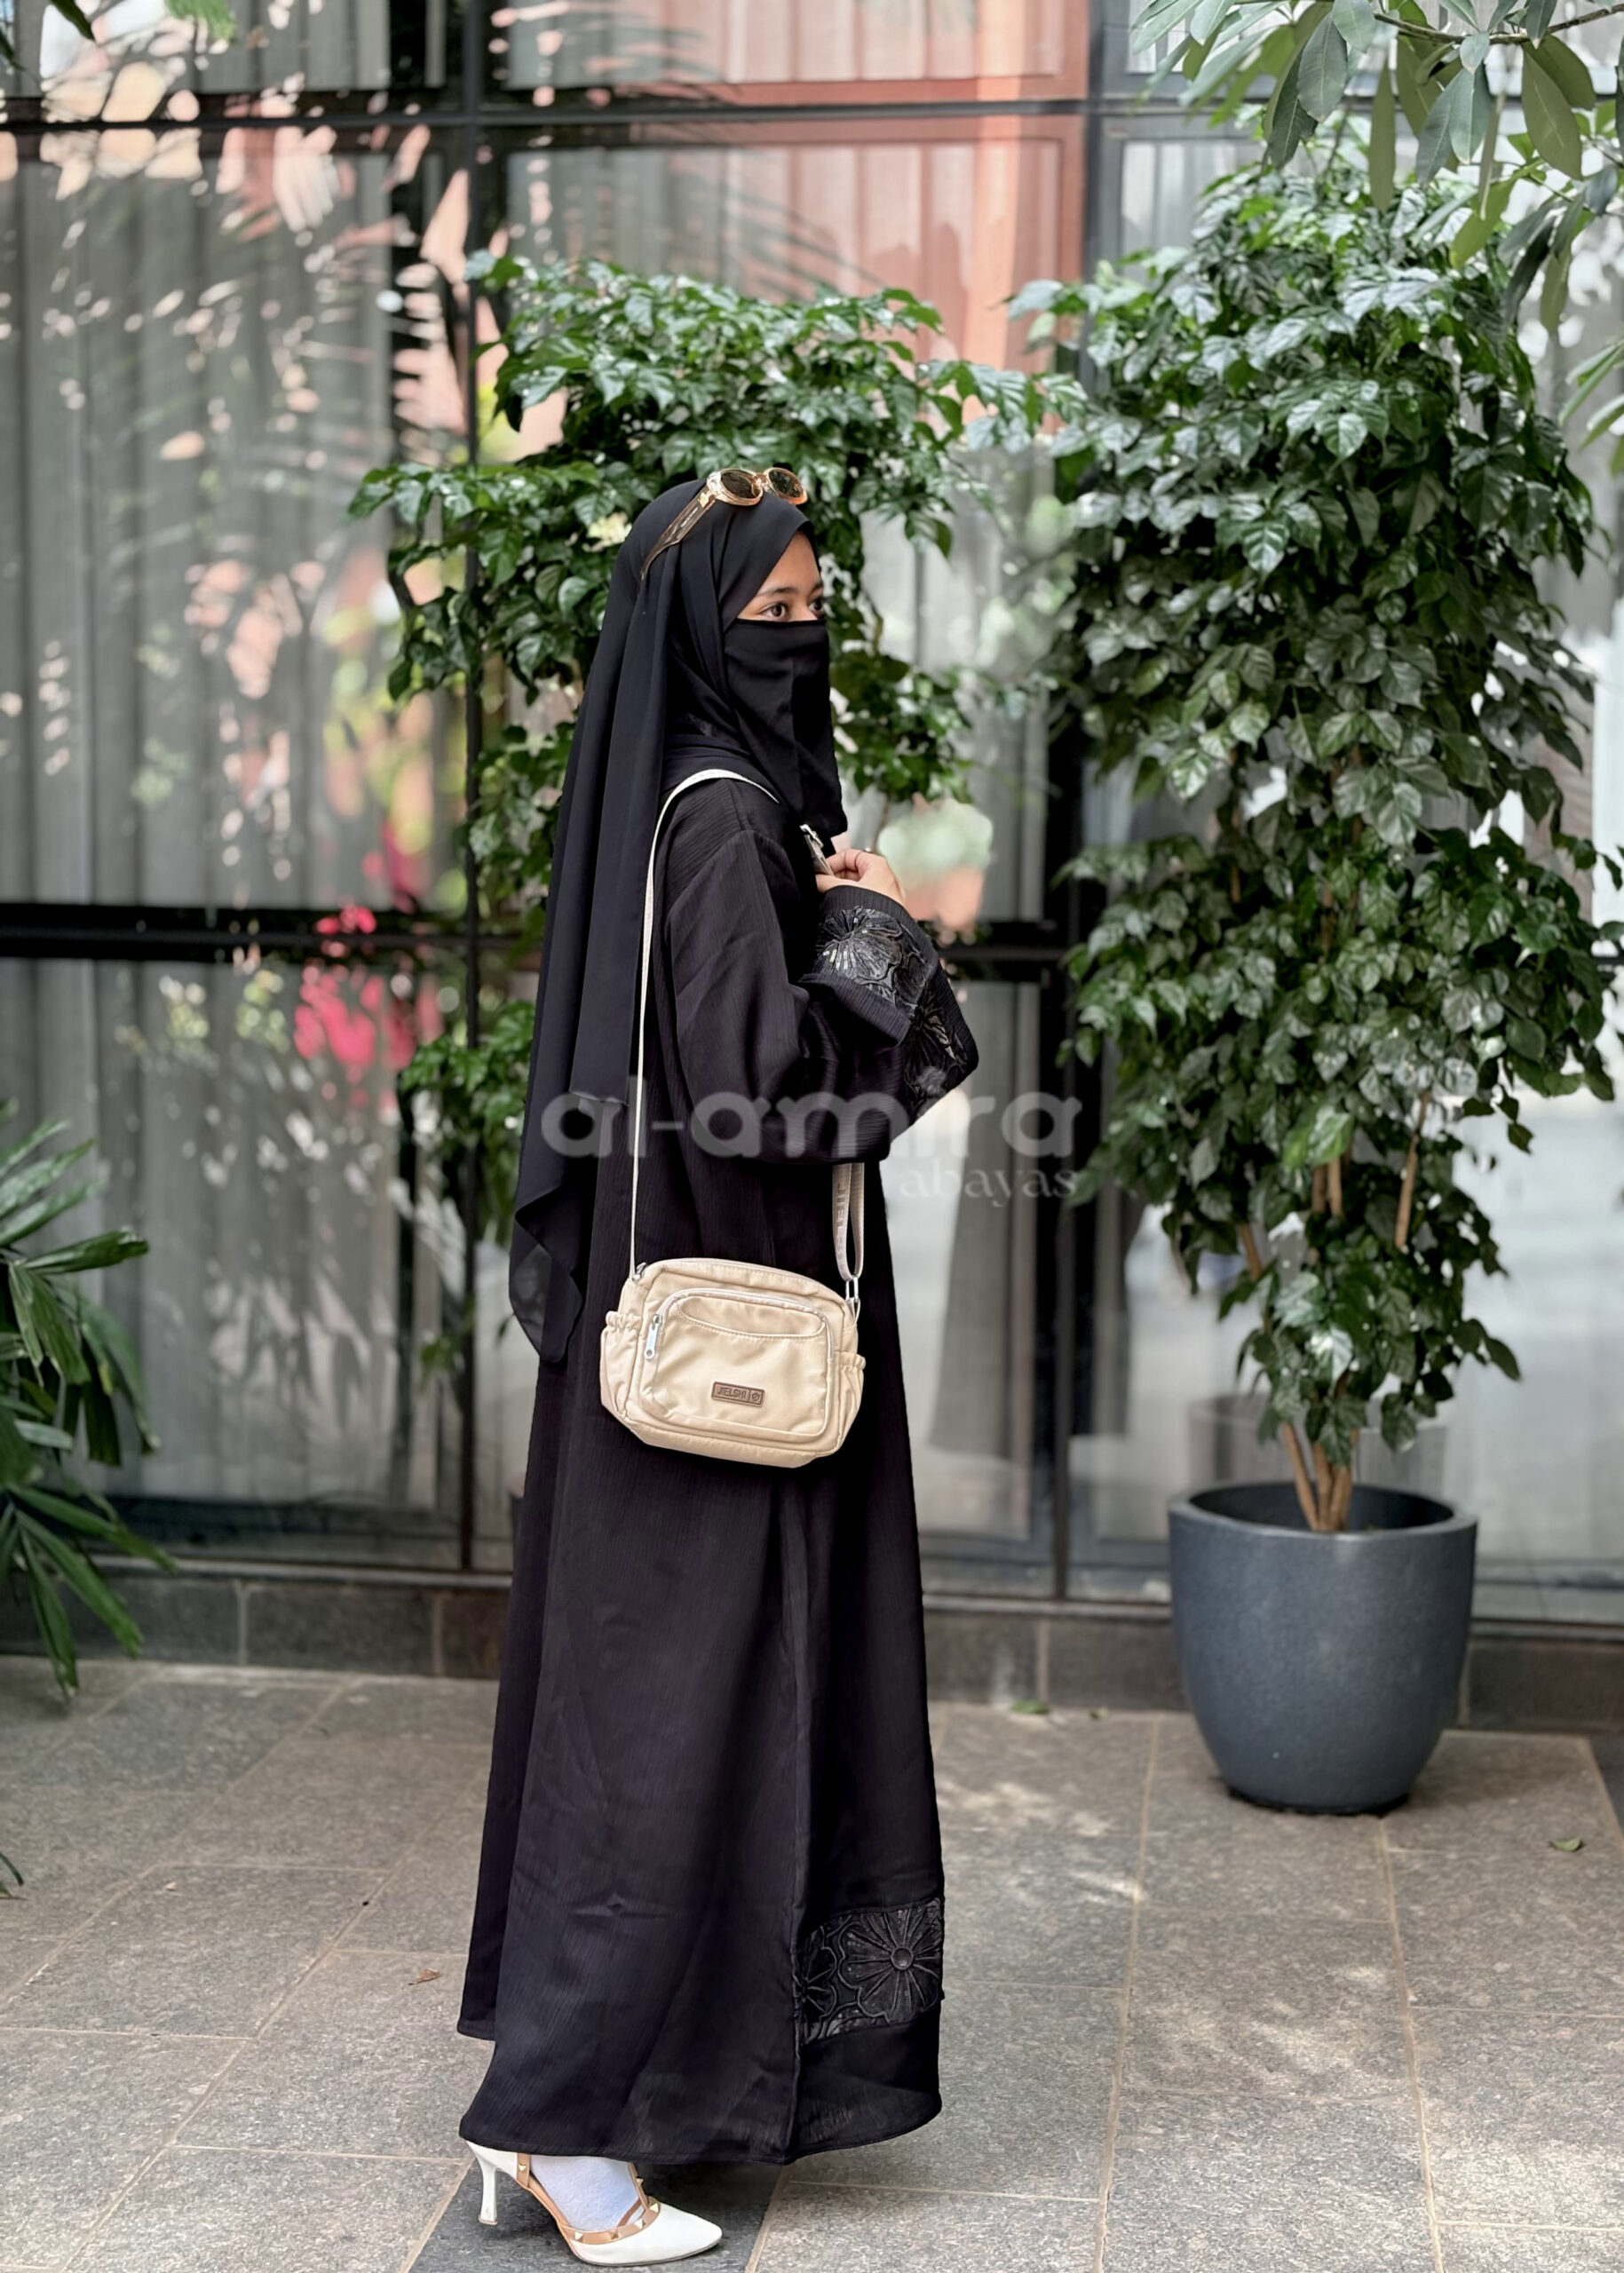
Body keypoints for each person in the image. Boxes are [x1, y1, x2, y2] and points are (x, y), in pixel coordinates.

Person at [457, 471, 978, 2264]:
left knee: (666, 1712)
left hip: (675, 1347)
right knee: (668, 1726)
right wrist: (887, 941)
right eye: (771, 615)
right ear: (701, 632)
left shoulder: (679, 802)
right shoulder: (724, 821)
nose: (799, 641)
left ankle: (626, 2089)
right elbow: (762, 1095)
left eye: (813, 610)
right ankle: (555, 2128)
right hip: (726, 1380)